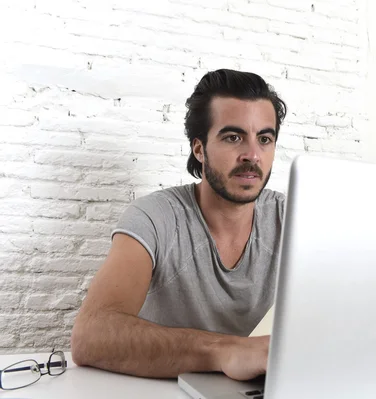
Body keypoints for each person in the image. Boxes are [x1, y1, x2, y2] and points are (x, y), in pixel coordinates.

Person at [70, 69, 288, 381]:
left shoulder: (294, 219)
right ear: (199, 149)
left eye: (264, 139)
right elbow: (90, 336)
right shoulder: (154, 217)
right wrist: (225, 351)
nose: (252, 154)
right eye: (233, 137)